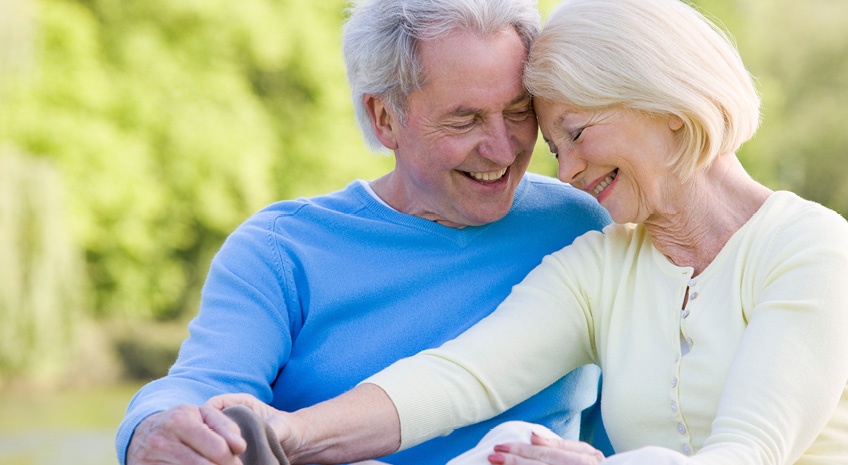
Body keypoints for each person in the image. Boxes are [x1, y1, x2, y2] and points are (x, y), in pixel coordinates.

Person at [203, 0, 848, 463]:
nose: (563, 172)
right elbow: (459, 377)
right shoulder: (603, 264)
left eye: (575, 133)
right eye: (552, 142)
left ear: (667, 108)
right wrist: (286, 435)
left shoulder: (811, 248)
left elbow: (750, 451)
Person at [116, 0, 614, 464]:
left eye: (518, 111)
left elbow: (645, 419)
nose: (503, 150)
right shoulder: (279, 250)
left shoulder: (585, 224)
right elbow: (203, 387)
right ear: (385, 119)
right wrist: (151, 429)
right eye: (465, 119)